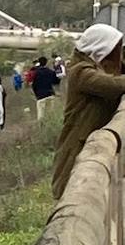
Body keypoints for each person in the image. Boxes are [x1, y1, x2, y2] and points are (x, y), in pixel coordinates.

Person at [51, 25, 125, 198]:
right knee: (73, 190)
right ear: (102, 48)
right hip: (78, 142)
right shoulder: (81, 72)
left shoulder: (96, 68)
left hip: (90, 141)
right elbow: (112, 86)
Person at [31, 54, 61, 122]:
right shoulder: (50, 72)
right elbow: (56, 82)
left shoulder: (36, 73)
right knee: (50, 116)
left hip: (40, 97)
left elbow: (34, 85)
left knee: (41, 117)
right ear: (46, 62)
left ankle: (42, 131)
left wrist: (36, 94)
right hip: (50, 95)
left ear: (39, 62)